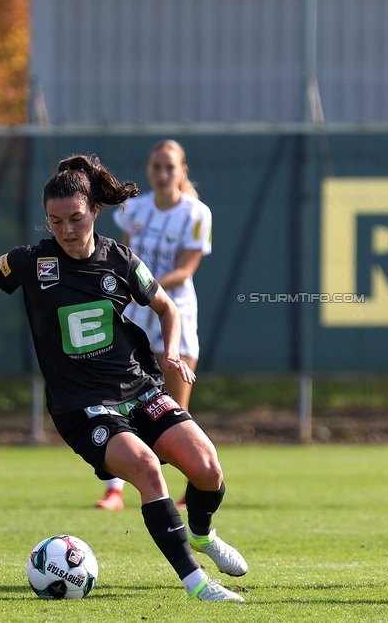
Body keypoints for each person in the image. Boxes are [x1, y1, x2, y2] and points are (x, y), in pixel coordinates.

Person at [0, 154, 246, 603]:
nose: (66, 230)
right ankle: (198, 585)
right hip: (82, 406)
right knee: (147, 470)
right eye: (55, 221)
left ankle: (203, 534)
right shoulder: (31, 262)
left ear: (93, 212)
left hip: (138, 388)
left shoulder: (120, 259)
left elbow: (166, 307)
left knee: (207, 469)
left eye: (75, 218)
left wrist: (170, 353)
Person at [96, 139, 213, 511]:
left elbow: (185, 270)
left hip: (174, 312)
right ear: (148, 170)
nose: (163, 174)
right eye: (157, 167)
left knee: (175, 408)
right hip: (135, 313)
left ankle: (191, 488)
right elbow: (126, 255)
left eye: (170, 167)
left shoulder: (196, 213)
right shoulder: (136, 209)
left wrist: (143, 288)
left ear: (182, 172)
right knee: (117, 402)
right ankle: (114, 490)